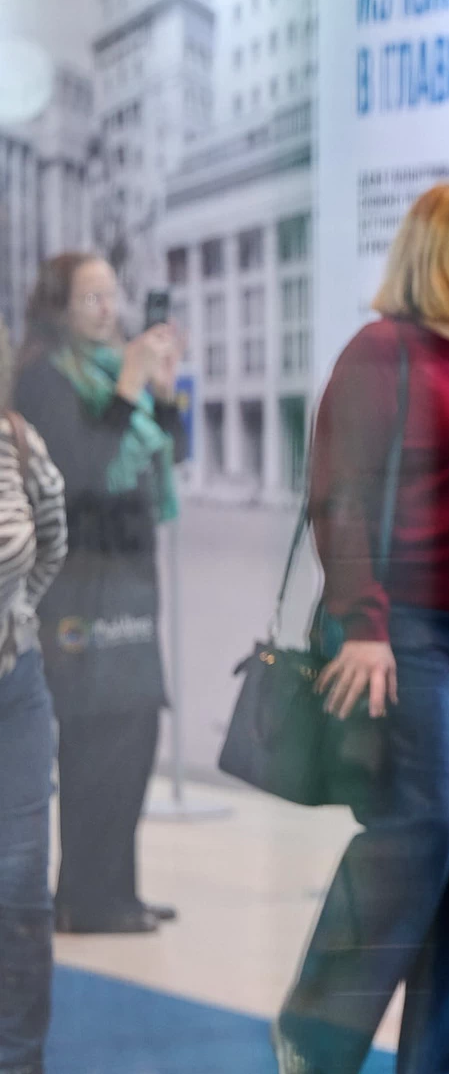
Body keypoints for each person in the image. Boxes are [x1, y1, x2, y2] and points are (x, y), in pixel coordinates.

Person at [271, 183, 449, 1074]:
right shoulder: (382, 352)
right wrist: (365, 622)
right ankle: (315, 1037)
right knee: (422, 825)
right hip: (406, 624)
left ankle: (444, 1057)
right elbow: (340, 497)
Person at [14, 253, 184, 936]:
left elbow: (168, 455)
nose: (107, 310)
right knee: (95, 740)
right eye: (90, 297)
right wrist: (130, 387)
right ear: (58, 305)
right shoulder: (42, 378)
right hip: (80, 586)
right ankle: (85, 898)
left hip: (130, 577)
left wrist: (161, 392)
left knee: (135, 734)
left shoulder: (115, 368)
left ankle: (117, 889)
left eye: (111, 295)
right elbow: (79, 471)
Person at [0, 318, 67, 1074]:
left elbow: (50, 542)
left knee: (20, 888)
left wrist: (12, 619)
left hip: (13, 684)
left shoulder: (17, 441)